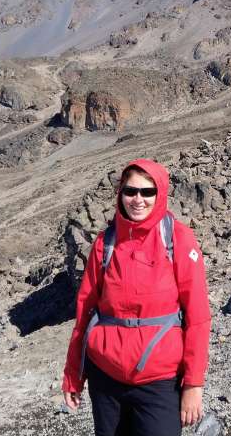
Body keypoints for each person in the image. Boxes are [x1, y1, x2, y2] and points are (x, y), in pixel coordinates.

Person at [62, 158, 211, 435]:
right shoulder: (105, 243)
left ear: (160, 194)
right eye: (130, 191)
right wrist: (73, 374)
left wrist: (193, 384)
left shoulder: (178, 239)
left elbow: (198, 318)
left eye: (147, 192)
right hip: (105, 379)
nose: (137, 199)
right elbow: (84, 313)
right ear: (120, 194)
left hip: (159, 381)